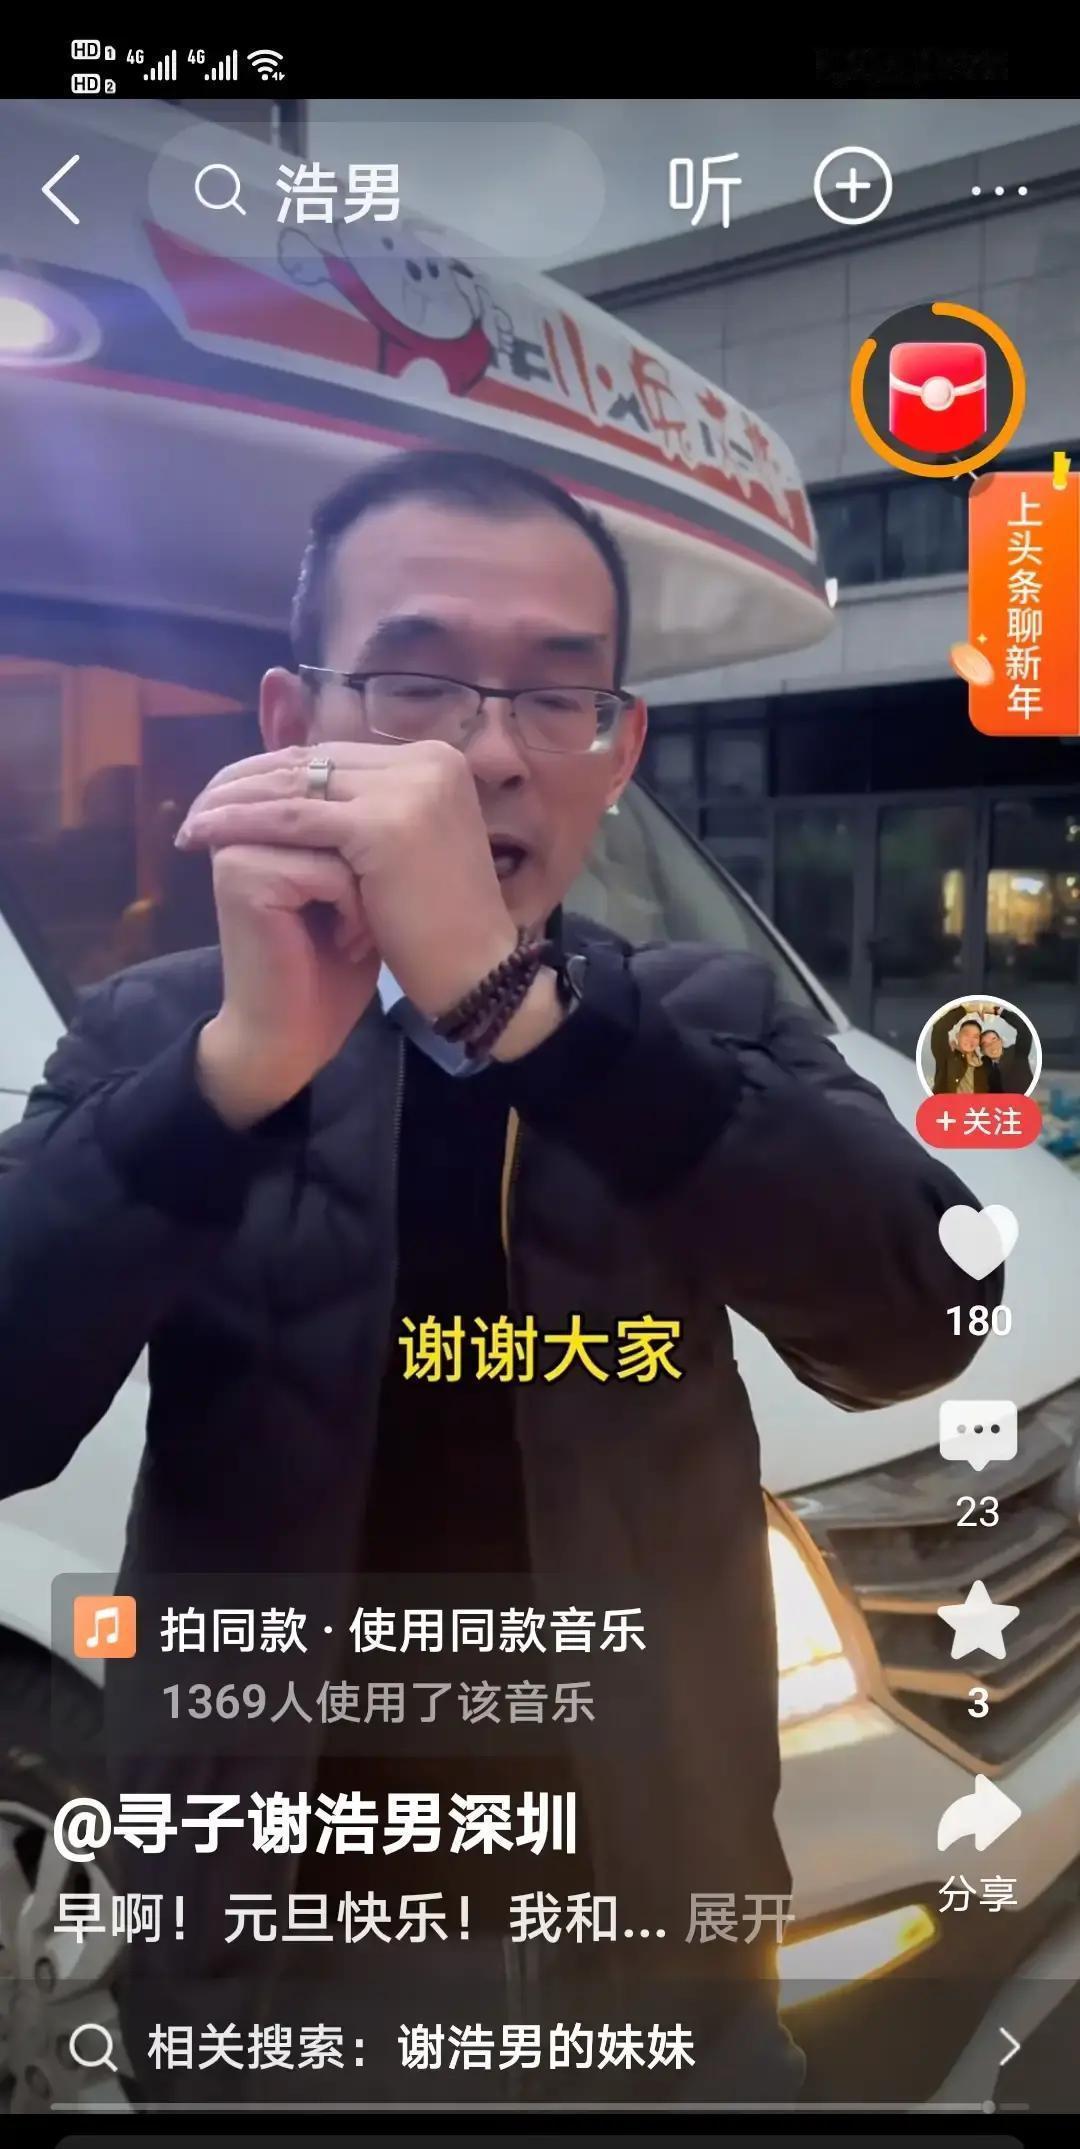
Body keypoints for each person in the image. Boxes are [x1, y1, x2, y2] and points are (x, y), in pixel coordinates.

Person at [0, 448, 1000, 2108]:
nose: (485, 752)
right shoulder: (154, 1032)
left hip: (658, 1955)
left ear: (619, 749)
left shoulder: (706, 1018)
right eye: (414, 679)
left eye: (555, 693)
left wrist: (533, 1017)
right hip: (273, 1960)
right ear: (292, 717)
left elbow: (924, 1316)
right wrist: (233, 1073)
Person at [930, 1004, 988, 1094]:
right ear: (958, 1036)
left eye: (975, 1037)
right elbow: (939, 1028)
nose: (970, 1040)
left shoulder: (983, 1067)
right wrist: (965, 1009)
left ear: (979, 1041)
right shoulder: (947, 1056)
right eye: (966, 1034)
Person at [981, 1007, 1034, 1095]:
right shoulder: (982, 1068)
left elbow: (1024, 1028)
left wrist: (998, 1011)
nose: (991, 1045)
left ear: (1001, 1041)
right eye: (985, 1044)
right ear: (982, 1051)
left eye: (994, 1039)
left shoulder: (1017, 1052)